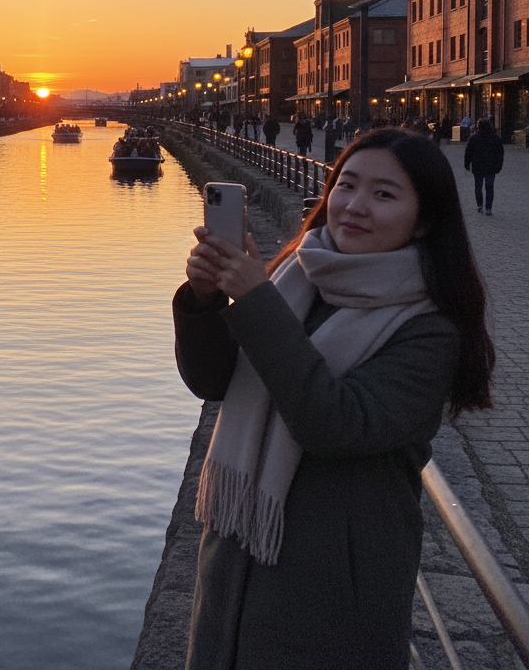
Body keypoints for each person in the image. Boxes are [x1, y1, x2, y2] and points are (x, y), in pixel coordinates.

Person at [174, 128, 494, 670]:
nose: (354, 206)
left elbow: (334, 424)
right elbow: (215, 382)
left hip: (332, 589)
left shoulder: (430, 330)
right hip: (235, 567)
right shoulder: (299, 274)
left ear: (424, 220)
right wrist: (205, 300)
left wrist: (255, 299)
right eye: (345, 185)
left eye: (384, 194)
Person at [463, 117, 504, 215]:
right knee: (489, 187)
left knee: (478, 186)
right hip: (491, 166)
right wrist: (499, 165)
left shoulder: (474, 138)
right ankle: (488, 207)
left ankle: (480, 204)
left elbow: (468, 152)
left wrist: (467, 164)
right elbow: (500, 153)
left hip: (478, 166)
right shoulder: (495, 138)